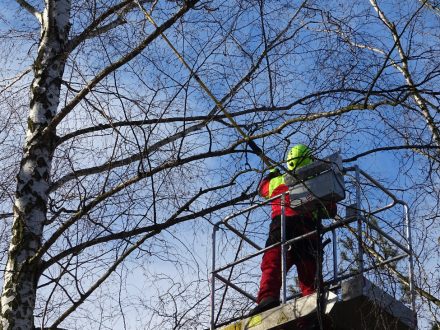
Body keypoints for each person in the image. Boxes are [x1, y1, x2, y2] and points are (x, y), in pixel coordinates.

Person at [249, 144, 337, 316]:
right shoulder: (316, 184)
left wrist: (272, 174)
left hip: (281, 227)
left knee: (272, 264)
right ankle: (313, 307)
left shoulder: (277, 182)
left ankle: (268, 299)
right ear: (310, 161)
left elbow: (262, 188)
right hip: (308, 230)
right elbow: (331, 210)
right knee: (308, 271)